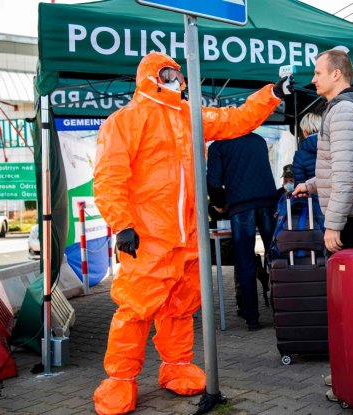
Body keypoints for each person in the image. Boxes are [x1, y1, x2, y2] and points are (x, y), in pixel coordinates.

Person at [92, 52, 289, 415]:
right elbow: (109, 175)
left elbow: (234, 120)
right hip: (148, 237)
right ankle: (120, 379)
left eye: (176, 73)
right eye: (167, 73)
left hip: (188, 235)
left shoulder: (189, 115)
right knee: (136, 309)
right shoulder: (126, 121)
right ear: (150, 76)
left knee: (180, 308)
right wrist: (122, 224)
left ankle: (177, 365)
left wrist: (272, 93)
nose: (175, 78)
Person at [293, 49, 353, 254]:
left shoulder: (344, 111)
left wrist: (333, 225)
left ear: (336, 74)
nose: (313, 79)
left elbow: (346, 176)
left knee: (349, 284)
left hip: (352, 218)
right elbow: (342, 168)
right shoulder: (342, 109)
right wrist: (310, 185)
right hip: (352, 214)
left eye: (317, 73)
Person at [207, 132, 278, 330]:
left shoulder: (219, 145)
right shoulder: (258, 140)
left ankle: (251, 317)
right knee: (276, 257)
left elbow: (213, 181)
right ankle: (281, 309)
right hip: (268, 201)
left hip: (240, 205)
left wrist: (219, 204)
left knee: (245, 261)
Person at [292, 112, 322, 185]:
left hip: (315, 195)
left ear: (304, 132)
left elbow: (300, 187)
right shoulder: (335, 145)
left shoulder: (299, 156)